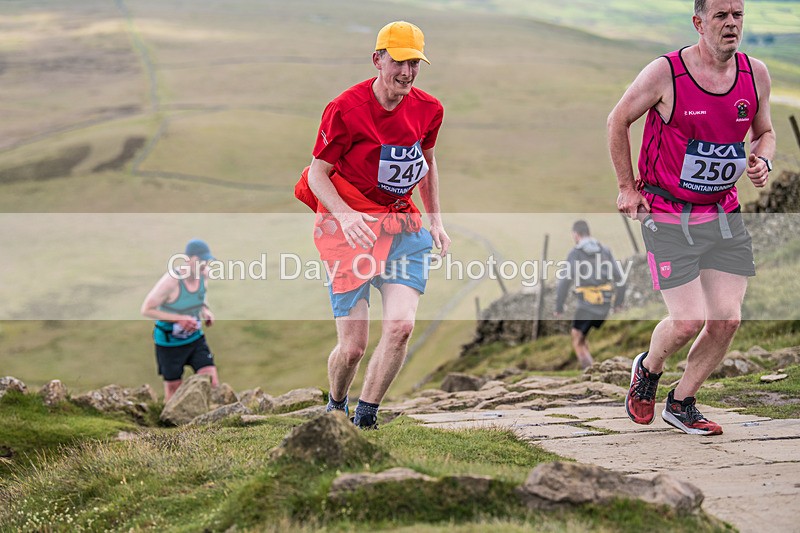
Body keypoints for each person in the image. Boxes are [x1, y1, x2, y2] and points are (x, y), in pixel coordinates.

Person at [608, 0, 775, 435]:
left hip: (722, 213)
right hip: (668, 212)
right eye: (721, 15)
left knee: (727, 319)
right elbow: (618, 119)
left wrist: (762, 161)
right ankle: (649, 367)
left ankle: (681, 402)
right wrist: (627, 187)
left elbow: (765, 132)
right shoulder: (666, 74)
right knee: (687, 320)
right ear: (699, 23)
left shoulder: (755, 74)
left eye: (738, 15)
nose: (732, 23)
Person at [295, 21, 449, 429]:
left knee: (400, 327)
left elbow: (428, 163)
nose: (408, 72)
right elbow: (316, 174)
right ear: (377, 59)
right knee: (352, 349)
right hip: (352, 231)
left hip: (401, 227)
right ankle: (337, 404)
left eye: (415, 63)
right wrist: (345, 217)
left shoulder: (429, 109)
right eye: (399, 61)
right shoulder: (345, 109)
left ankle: (366, 416)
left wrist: (435, 221)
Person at [141, 239, 220, 401]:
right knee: (174, 391)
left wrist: (206, 311)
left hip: (195, 339)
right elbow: (147, 309)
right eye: (199, 260)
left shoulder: (203, 276)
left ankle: (214, 422)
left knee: (212, 381)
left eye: (206, 261)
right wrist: (179, 319)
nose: (203, 264)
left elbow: (200, 298)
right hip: (169, 344)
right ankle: (173, 425)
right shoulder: (171, 281)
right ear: (188, 259)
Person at [554, 220, 626, 369]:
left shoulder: (575, 253)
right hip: (605, 302)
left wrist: (559, 307)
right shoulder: (605, 250)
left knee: (577, 338)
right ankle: (592, 368)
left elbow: (564, 282)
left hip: (586, 304)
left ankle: (591, 372)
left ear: (575, 234)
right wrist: (618, 302)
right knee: (582, 335)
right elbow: (620, 279)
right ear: (588, 232)